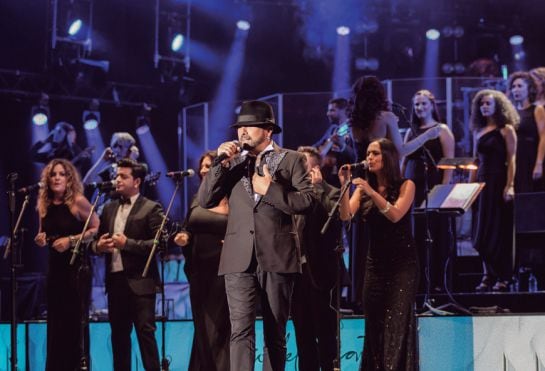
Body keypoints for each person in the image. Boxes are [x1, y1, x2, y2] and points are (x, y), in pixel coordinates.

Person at [198, 100, 314, 371]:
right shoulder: (232, 163)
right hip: (239, 258)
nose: (242, 132)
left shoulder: (292, 159)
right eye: (240, 127)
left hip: (277, 256)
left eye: (249, 126)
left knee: (275, 332)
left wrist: (270, 189)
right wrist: (218, 163)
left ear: (268, 130)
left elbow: (307, 202)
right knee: (240, 330)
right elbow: (205, 200)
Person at [338, 138, 419, 371]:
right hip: (375, 265)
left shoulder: (406, 185)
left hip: (403, 265)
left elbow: (395, 215)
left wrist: (370, 191)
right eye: (367, 153)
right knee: (374, 325)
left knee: (396, 325)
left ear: (388, 157)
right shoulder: (362, 190)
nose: (369, 158)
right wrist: (345, 186)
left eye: (375, 153)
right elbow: (346, 216)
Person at [94, 158, 163, 371]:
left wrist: (127, 244)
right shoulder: (108, 208)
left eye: (123, 176)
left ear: (137, 181)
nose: (117, 180)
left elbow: (158, 244)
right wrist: (99, 246)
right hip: (116, 283)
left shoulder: (151, 208)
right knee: (119, 338)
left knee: (146, 335)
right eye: (117, 176)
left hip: (141, 283)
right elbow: (97, 241)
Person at [34, 159, 99, 371]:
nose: (56, 178)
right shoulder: (44, 205)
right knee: (56, 325)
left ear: (69, 178)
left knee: (73, 325)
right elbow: (43, 233)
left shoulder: (77, 202)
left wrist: (71, 240)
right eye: (53, 175)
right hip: (55, 271)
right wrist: (41, 239)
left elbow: (96, 227)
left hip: (76, 270)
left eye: (61, 174)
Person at [173, 150, 230, 371]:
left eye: (209, 165)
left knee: (217, 327)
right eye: (203, 166)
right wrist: (184, 236)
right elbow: (189, 227)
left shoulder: (233, 194)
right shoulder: (199, 197)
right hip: (199, 271)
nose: (203, 170)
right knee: (202, 327)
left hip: (223, 270)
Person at [291, 146, 342, 371]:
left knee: (326, 336)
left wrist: (319, 187)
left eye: (304, 167)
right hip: (295, 275)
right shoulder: (289, 194)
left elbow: (335, 220)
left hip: (321, 274)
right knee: (303, 338)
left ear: (316, 169)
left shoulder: (330, 192)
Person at [401, 90, 455, 292]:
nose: (420, 108)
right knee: (416, 233)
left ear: (432, 105)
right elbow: (403, 158)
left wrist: (443, 189)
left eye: (423, 104)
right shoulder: (411, 130)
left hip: (432, 185)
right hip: (411, 186)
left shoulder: (442, 130)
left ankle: (437, 282)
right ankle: (418, 282)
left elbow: (448, 163)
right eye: (416, 105)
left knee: (435, 231)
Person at [470, 89, 518, 292]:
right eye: (481, 104)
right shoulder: (477, 131)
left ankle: (503, 276)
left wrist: (510, 185)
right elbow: (475, 161)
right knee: (480, 234)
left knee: (499, 231)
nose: (484, 107)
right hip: (481, 183)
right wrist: (469, 188)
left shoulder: (506, 130)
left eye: (488, 103)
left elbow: (512, 159)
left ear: (498, 105)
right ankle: (487, 274)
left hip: (498, 182)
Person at [507, 71, 545, 192]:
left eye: (520, 86)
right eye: (513, 87)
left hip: (531, 158)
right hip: (517, 160)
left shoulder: (537, 110)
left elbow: (543, 137)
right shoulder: (511, 113)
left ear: (529, 89)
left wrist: (539, 163)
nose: (516, 90)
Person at [313, 98, 356, 186]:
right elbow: (317, 146)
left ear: (343, 111)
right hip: (330, 177)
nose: (328, 114)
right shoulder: (333, 129)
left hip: (347, 178)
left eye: (332, 110)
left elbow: (355, 155)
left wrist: (342, 146)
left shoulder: (353, 129)